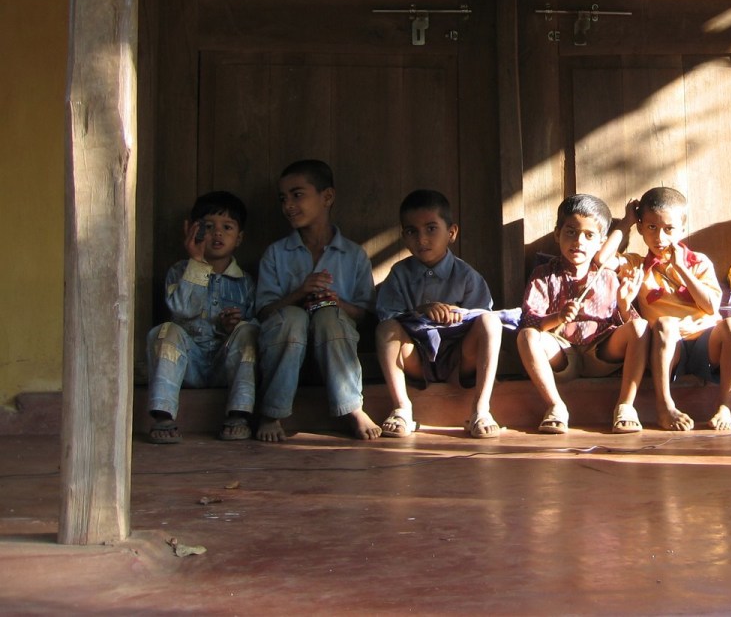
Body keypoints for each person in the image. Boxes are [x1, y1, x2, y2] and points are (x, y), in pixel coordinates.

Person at [255, 159, 379, 442]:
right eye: (283, 198)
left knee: (329, 316)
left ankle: (352, 408)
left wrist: (337, 303)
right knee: (293, 317)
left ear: (327, 197)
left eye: (297, 195)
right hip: (284, 352)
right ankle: (272, 412)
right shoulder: (276, 254)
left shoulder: (353, 255)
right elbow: (263, 313)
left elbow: (366, 314)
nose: (288, 205)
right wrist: (299, 293)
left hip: (335, 352)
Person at [605, 186, 731, 431]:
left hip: (706, 344)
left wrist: (681, 269)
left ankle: (725, 405)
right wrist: (626, 222)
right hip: (668, 347)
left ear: (682, 229)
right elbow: (602, 260)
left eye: (669, 229)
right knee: (665, 322)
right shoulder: (637, 264)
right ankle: (665, 406)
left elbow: (711, 307)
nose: (660, 238)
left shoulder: (697, 262)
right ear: (641, 228)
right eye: (651, 227)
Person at [374, 189, 510, 439]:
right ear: (403, 236)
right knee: (386, 328)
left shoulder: (467, 276)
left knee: (490, 322)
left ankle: (481, 410)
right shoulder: (399, 274)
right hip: (416, 358)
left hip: (459, 360)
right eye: (412, 231)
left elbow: (482, 315)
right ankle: (402, 409)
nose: (421, 239)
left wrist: (461, 314)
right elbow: (386, 314)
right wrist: (420, 312)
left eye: (431, 228)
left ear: (452, 232)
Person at [518, 194, 649, 434]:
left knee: (640, 327)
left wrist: (624, 304)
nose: (578, 241)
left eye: (589, 235)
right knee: (526, 336)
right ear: (557, 234)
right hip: (561, 354)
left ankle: (626, 406)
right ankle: (555, 406)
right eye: (571, 232)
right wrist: (558, 317)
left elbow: (631, 330)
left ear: (601, 242)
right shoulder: (544, 274)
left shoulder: (608, 276)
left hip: (600, 353)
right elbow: (529, 321)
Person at [146, 191, 258, 443]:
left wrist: (232, 327)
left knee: (249, 331)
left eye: (227, 227)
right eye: (208, 227)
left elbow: (253, 331)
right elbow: (183, 310)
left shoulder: (245, 282)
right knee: (165, 331)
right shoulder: (178, 272)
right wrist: (196, 262)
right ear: (193, 231)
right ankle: (163, 416)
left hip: (223, 367)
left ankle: (238, 415)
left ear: (239, 238)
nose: (217, 233)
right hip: (188, 365)